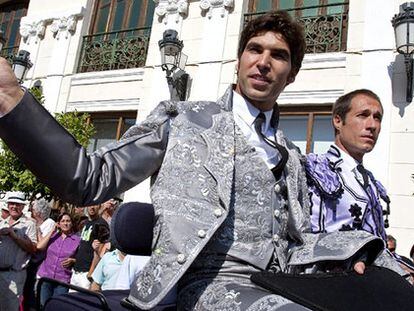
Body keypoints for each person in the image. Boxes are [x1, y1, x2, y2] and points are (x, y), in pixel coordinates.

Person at [0, 11, 389, 310]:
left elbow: (296, 241)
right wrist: (11, 100)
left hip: (280, 283)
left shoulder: (289, 156)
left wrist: (360, 254)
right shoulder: (183, 119)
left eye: (279, 56)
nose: (264, 62)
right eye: (255, 49)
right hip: (203, 285)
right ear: (239, 61)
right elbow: (86, 179)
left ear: (292, 74)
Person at [305, 90, 410, 279]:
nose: (372, 125)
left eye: (377, 118)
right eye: (363, 115)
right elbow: (306, 236)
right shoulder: (316, 168)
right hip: (330, 281)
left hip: (372, 278)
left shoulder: (371, 182)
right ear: (338, 121)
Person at [0, 191, 37, 310]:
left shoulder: (30, 224)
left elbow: (33, 248)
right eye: (12, 203)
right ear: (8, 205)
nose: (14, 206)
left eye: (18, 204)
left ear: (23, 206)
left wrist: (14, 236)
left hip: (14, 274)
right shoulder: (2, 223)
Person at [36, 212, 80, 307]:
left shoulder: (77, 240)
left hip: (62, 280)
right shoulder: (52, 236)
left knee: (57, 307)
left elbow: (80, 259)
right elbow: (39, 247)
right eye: (62, 221)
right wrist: (52, 230)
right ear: (58, 223)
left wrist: (73, 261)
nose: (65, 223)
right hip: (46, 277)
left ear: (72, 223)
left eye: (68, 221)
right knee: (44, 305)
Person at [23, 198, 56, 311]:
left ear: (38, 212)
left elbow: (40, 245)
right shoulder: (36, 222)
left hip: (39, 263)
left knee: (33, 293)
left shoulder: (49, 223)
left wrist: (36, 229)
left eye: (32, 210)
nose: (31, 212)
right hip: (31, 262)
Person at [70, 204, 109, 289]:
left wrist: (90, 273)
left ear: (99, 206)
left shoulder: (102, 224)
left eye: (95, 205)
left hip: (86, 273)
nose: (92, 207)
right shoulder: (86, 222)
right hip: (76, 271)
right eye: (90, 205)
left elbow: (101, 252)